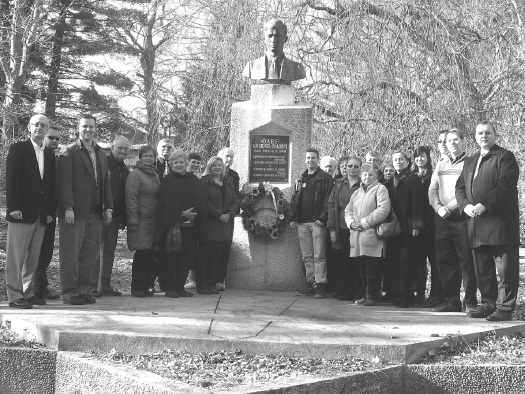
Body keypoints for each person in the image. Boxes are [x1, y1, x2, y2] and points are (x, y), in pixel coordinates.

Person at [456, 121, 520, 321]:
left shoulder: (505, 157)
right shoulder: (470, 161)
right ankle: (488, 303)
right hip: (476, 224)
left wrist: (484, 205)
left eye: (487, 133)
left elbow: (505, 187)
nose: (483, 136)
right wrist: (465, 205)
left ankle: (505, 308)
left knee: (505, 270)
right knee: (482, 268)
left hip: (500, 224)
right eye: (479, 133)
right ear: (475, 136)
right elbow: (459, 188)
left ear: (494, 135)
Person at [57, 114, 113, 305]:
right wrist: (68, 208)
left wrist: (109, 208)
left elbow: (105, 182)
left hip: (95, 213)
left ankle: (83, 290)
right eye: (85, 126)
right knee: (70, 254)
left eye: (91, 127)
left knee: (89, 254)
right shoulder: (69, 151)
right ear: (78, 128)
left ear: (95, 128)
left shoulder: (100, 153)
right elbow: (64, 183)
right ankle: (69, 293)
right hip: (74, 212)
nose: (88, 130)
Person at [5, 114, 56, 308]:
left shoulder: (49, 154)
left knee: (33, 256)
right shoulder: (18, 149)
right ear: (29, 127)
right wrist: (14, 207)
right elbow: (11, 181)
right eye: (36, 124)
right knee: (16, 256)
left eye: (44, 125)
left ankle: (26, 292)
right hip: (21, 213)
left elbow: (50, 185)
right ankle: (14, 295)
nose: (39, 128)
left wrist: (49, 210)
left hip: (41, 214)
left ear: (47, 129)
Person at [429, 129, 478, 313]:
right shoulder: (441, 163)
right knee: (445, 260)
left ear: (463, 141)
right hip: (441, 218)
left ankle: (470, 301)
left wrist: (449, 208)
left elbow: (468, 191)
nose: (452, 143)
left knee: (466, 261)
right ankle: (451, 301)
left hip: (461, 218)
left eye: (456, 139)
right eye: (449, 140)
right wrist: (438, 208)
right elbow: (432, 189)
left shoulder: (470, 162)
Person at [153, 150, 207, 298]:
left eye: (181, 162)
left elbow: (200, 198)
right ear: (171, 164)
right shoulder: (167, 180)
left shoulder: (194, 180)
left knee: (186, 257)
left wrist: (194, 213)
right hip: (172, 226)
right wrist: (181, 213)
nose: (178, 165)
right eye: (175, 162)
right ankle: (170, 288)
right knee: (171, 257)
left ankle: (180, 287)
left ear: (186, 163)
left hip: (190, 226)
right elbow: (166, 200)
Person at [291, 148, 335, 298]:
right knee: (307, 256)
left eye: (313, 158)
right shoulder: (301, 178)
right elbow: (296, 199)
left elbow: (329, 200)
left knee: (319, 255)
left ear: (318, 159)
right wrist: (293, 217)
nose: (310, 160)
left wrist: (322, 218)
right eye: (308, 158)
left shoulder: (325, 178)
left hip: (317, 223)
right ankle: (311, 283)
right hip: (302, 223)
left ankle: (321, 285)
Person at [90, 136, 130, 297]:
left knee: (109, 251)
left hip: (116, 217)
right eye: (120, 148)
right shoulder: (103, 164)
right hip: (100, 214)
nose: (123, 151)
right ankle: (91, 286)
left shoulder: (125, 169)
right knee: (95, 251)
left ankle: (104, 285)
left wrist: (124, 217)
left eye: (126, 149)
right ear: (112, 148)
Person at [345, 163, 390, 306]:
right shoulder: (357, 192)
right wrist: (351, 223)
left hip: (371, 236)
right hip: (357, 236)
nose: (367, 177)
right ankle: (363, 295)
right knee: (361, 270)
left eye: (371, 174)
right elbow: (348, 210)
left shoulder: (380, 189)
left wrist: (364, 223)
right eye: (364, 174)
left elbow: (383, 209)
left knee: (373, 269)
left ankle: (372, 296)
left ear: (376, 176)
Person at [385, 151, 424, 308]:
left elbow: (418, 202)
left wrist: (416, 224)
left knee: (407, 261)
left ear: (408, 162)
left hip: (408, 227)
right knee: (395, 261)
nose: (398, 162)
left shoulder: (412, 178)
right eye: (395, 160)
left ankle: (407, 295)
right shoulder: (390, 182)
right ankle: (398, 293)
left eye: (401, 159)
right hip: (394, 228)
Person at [198, 156, 239, 295]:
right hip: (210, 224)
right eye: (214, 165)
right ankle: (202, 285)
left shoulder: (228, 182)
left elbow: (235, 201)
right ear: (209, 167)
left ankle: (211, 284)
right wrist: (218, 215)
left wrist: (229, 214)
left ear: (223, 168)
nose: (217, 167)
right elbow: (203, 202)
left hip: (224, 225)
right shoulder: (204, 182)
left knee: (217, 257)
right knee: (206, 256)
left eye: (219, 165)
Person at [125, 145, 160, 297]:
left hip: (153, 220)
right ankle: (136, 287)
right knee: (141, 253)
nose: (148, 158)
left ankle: (146, 285)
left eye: (151, 156)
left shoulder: (155, 175)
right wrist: (133, 219)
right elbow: (130, 197)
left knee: (149, 255)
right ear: (140, 157)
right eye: (145, 156)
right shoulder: (135, 175)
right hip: (140, 220)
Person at [327, 156, 361, 301]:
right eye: (349, 166)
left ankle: (357, 291)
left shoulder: (364, 184)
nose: (352, 169)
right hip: (342, 229)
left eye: (355, 166)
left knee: (357, 262)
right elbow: (331, 207)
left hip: (359, 229)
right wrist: (332, 229)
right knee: (343, 261)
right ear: (345, 169)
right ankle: (344, 290)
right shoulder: (339, 185)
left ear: (360, 168)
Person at [33, 126, 61, 300]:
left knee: (47, 251)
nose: (55, 141)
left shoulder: (56, 158)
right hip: (35, 212)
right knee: (37, 251)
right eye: (52, 138)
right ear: (44, 138)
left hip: (51, 212)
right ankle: (34, 288)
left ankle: (41, 286)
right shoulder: (36, 156)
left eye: (58, 138)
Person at [412, 146, 440, 306]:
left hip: (433, 224)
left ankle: (436, 294)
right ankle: (419, 292)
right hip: (417, 226)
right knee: (418, 261)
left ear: (428, 158)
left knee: (435, 261)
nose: (419, 159)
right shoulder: (412, 177)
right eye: (417, 157)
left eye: (422, 156)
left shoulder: (433, 175)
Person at [243, 19, 306, 84]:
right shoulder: (251, 67)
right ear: (264, 38)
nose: (273, 40)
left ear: (285, 39)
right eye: (270, 36)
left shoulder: (296, 68)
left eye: (277, 36)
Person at [216, 147, 241, 291]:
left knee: (225, 248)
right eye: (227, 156)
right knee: (213, 249)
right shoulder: (211, 172)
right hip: (214, 218)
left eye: (231, 156)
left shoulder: (234, 175)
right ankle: (208, 279)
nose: (229, 159)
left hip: (228, 218)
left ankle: (219, 280)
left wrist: (230, 213)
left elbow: (235, 198)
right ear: (220, 156)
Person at [184, 152, 203, 290]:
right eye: (193, 162)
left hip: (194, 221)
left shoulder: (197, 180)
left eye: (198, 163)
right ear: (187, 162)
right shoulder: (181, 177)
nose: (195, 165)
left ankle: (192, 280)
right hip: (181, 220)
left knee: (191, 251)